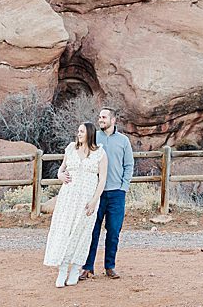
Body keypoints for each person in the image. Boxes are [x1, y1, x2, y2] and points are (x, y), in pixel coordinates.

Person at [43, 121, 108, 288]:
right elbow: (61, 169)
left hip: (87, 200)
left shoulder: (100, 153)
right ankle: (63, 269)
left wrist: (94, 200)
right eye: (78, 131)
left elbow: (102, 180)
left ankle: (76, 269)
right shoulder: (71, 148)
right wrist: (60, 175)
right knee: (65, 231)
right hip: (68, 198)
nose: (78, 134)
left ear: (89, 134)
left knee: (82, 233)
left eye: (81, 131)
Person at [79, 106, 134, 281]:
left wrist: (123, 186)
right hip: (96, 194)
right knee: (92, 231)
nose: (100, 119)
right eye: (99, 117)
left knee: (113, 232)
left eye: (104, 117)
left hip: (116, 193)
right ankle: (88, 267)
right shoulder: (94, 138)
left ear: (113, 120)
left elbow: (129, 165)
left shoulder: (123, 141)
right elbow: (82, 157)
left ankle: (110, 266)